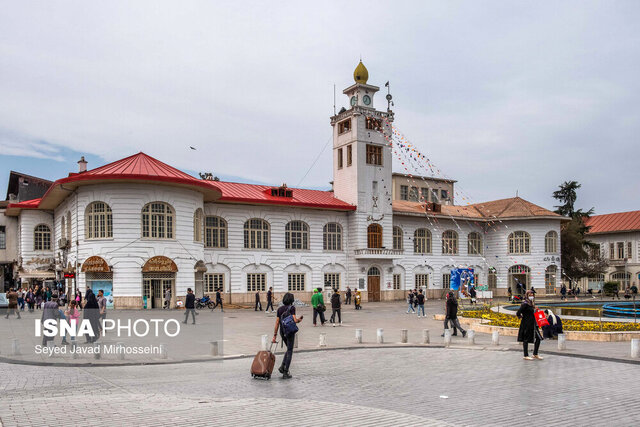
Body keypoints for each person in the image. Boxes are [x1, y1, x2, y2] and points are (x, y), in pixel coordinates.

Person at [272, 292, 303, 379]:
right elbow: (294, 320)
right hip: (289, 332)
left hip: (282, 332)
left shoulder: (279, 309)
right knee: (290, 350)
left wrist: (274, 335)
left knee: (288, 349)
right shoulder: (292, 308)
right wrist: (299, 320)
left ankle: (282, 366)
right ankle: (285, 371)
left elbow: (277, 322)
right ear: (292, 300)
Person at [516, 290, 543, 360]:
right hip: (527, 324)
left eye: (532, 295)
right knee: (526, 339)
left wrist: (535, 310)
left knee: (539, 338)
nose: (532, 296)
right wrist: (523, 317)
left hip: (533, 324)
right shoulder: (525, 303)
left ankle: (535, 354)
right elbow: (518, 312)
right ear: (527, 295)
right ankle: (526, 355)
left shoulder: (531, 303)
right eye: (530, 295)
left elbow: (531, 312)